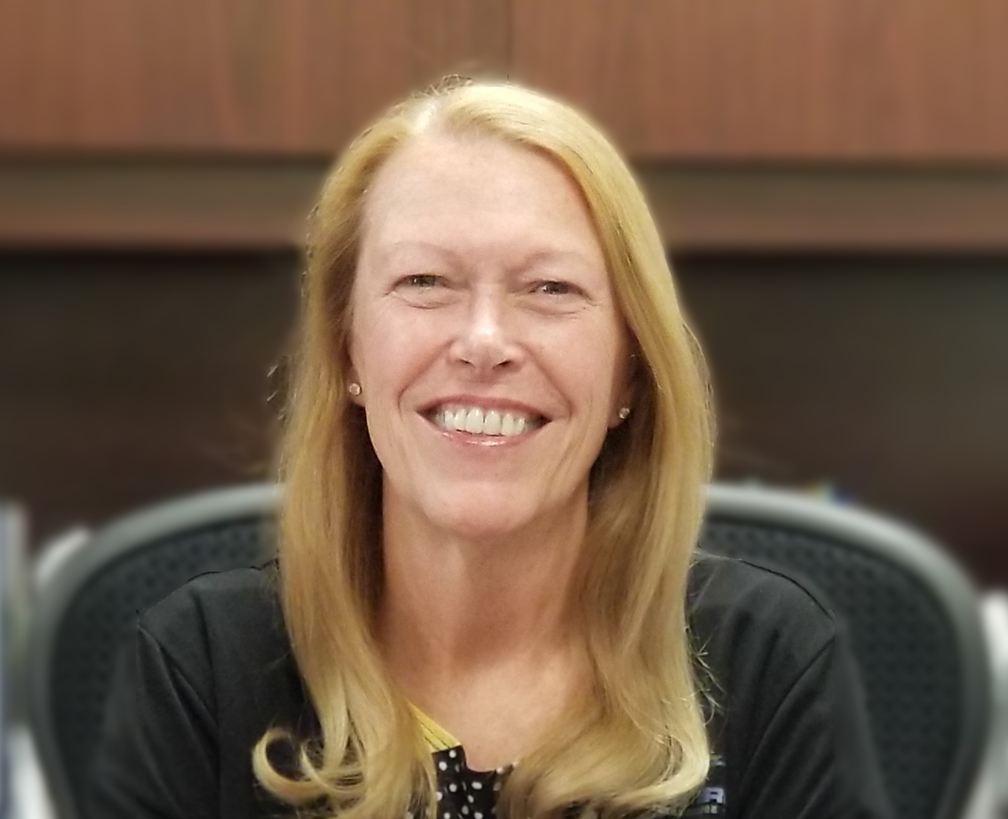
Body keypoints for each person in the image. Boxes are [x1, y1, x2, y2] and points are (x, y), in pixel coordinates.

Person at [87, 79, 891, 819]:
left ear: (629, 372)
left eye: (551, 288)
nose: (483, 341)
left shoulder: (767, 662)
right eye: (425, 281)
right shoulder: (201, 666)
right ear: (347, 352)